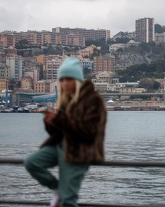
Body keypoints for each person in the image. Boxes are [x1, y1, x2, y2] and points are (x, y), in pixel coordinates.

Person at [24, 57, 106, 207]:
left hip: (79, 151)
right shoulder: (66, 100)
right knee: (31, 163)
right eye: (62, 80)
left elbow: (89, 132)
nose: (64, 83)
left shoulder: (93, 101)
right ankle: (56, 188)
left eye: (68, 79)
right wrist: (50, 122)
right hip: (62, 146)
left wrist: (60, 120)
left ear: (77, 80)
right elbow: (62, 131)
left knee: (69, 201)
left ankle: (61, 191)